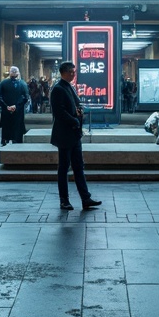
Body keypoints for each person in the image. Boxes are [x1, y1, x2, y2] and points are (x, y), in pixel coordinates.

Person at [50, 60, 102, 211]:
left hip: (74, 134)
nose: (74, 74)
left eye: (74, 72)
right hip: (65, 134)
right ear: (64, 72)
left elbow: (76, 105)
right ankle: (64, 200)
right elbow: (59, 112)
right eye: (71, 72)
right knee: (64, 168)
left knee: (79, 166)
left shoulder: (69, 87)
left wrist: (80, 112)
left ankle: (85, 198)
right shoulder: (58, 89)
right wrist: (74, 119)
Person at [0, 66, 30, 146]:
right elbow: (25, 97)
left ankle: (5, 139)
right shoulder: (23, 84)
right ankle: (16, 140)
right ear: (18, 73)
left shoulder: (3, 83)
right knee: (17, 126)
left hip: (6, 110)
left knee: (6, 125)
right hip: (18, 110)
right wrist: (16, 106)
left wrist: (6, 106)